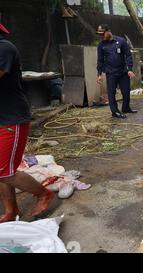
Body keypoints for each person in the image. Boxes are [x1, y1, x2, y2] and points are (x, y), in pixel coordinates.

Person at [0, 23, 54, 223]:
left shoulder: (4, 48)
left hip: (11, 118)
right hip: (2, 117)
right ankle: (11, 210)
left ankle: (43, 193)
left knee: (5, 172)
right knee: (3, 170)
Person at [96, 24, 137, 119]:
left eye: (103, 34)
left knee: (126, 91)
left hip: (123, 71)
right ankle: (115, 112)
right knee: (111, 92)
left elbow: (128, 55)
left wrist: (129, 69)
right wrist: (99, 74)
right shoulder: (101, 45)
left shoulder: (121, 41)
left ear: (108, 31)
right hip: (110, 72)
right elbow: (100, 60)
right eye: (100, 34)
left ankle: (126, 108)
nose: (101, 36)